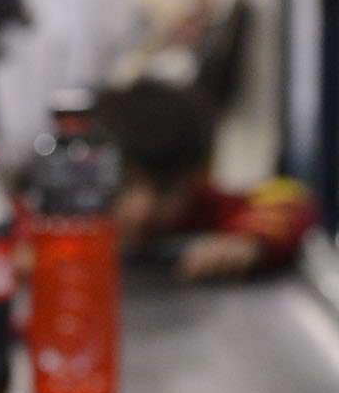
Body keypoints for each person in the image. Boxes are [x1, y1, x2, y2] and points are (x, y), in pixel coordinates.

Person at [100, 78, 317, 282]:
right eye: (124, 182)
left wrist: (251, 240)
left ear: (197, 176)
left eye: (165, 187)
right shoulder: (84, 213)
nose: (143, 210)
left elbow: (292, 201)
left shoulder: (203, 205)